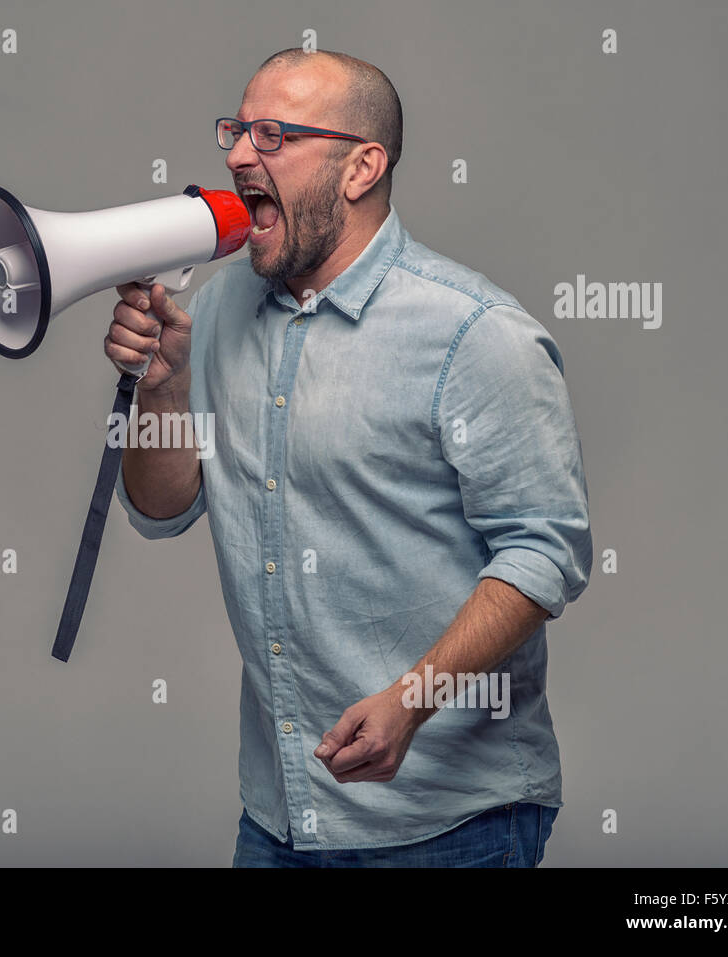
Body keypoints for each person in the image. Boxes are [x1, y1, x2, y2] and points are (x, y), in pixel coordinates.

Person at [104, 48, 592, 867]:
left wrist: (414, 699)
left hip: (449, 823)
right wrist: (162, 387)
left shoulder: (475, 334)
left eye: (273, 134)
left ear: (362, 166)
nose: (235, 155)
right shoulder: (220, 306)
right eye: (236, 130)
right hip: (281, 815)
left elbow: (547, 551)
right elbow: (160, 510)